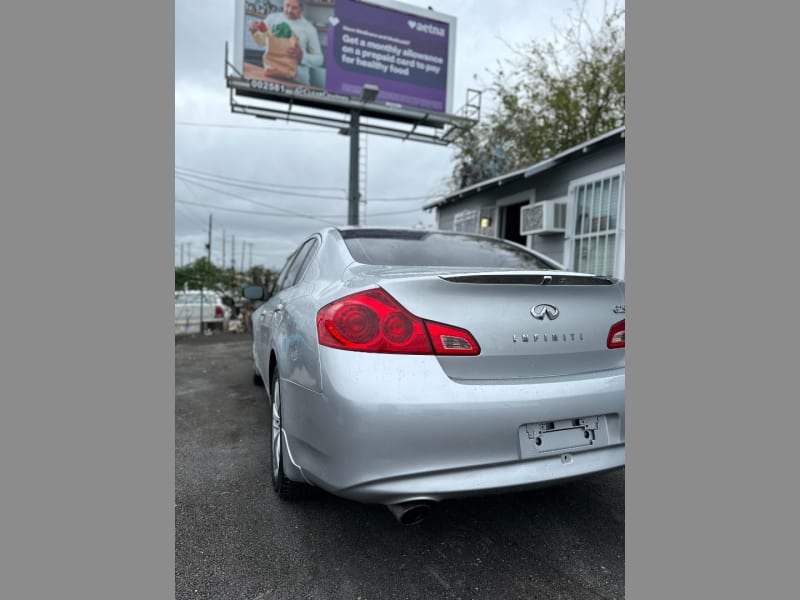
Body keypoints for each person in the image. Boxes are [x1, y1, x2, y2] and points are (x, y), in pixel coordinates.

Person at [249, 0, 323, 86]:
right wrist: (254, 32)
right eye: (287, 5)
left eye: (294, 7)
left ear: (302, 9)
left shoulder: (309, 29)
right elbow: (261, 42)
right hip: (272, 77)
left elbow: (319, 59)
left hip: (298, 82)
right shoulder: (272, 19)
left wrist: (302, 56)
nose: (289, 10)